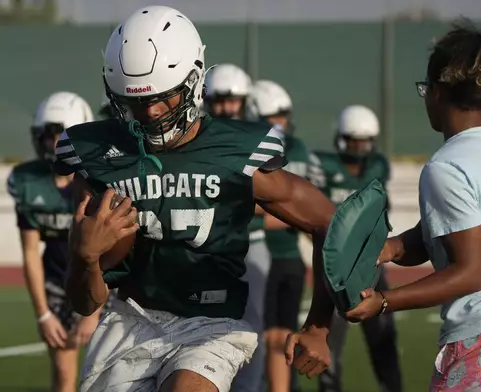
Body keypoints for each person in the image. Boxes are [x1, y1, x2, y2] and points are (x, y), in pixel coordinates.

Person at [53, 5, 336, 392]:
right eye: (136, 101)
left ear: (195, 80)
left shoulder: (235, 150)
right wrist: (85, 258)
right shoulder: (97, 155)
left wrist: (319, 324)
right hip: (129, 317)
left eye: (164, 97)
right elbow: (84, 303)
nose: (150, 112)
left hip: (211, 322)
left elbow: (330, 223)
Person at [290, 18, 481, 390]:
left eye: (425, 88)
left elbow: (471, 272)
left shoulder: (446, 166)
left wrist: (383, 302)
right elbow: (457, 232)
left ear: (439, 92)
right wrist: (391, 248)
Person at [7, 91, 96, 392]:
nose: (50, 143)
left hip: (107, 283)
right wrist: (43, 313)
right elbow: (30, 252)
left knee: (116, 376)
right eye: (46, 135)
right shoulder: (29, 182)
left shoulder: (101, 177)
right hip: (59, 281)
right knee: (63, 376)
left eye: (58, 134)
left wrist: (95, 309)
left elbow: (115, 250)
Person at [312, 105, 402, 392]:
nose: (360, 146)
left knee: (383, 337)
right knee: (331, 341)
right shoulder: (323, 166)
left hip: (371, 265)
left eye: (364, 140)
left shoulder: (378, 166)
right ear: (341, 137)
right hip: (336, 269)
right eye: (354, 139)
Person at [203, 63, 268, 392]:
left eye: (233, 100)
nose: (226, 108)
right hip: (203, 247)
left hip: (249, 243)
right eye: (218, 100)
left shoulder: (258, 141)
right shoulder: (197, 137)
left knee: (252, 326)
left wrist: (230, 204)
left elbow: (275, 200)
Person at [246, 79, 311, 392]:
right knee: (264, 338)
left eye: (283, 117)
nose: (281, 124)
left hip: (288, 260)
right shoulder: (246, 150)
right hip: (259, 256)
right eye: (274, 118)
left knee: (283, 338)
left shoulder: (297, 149)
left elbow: (309, 206)